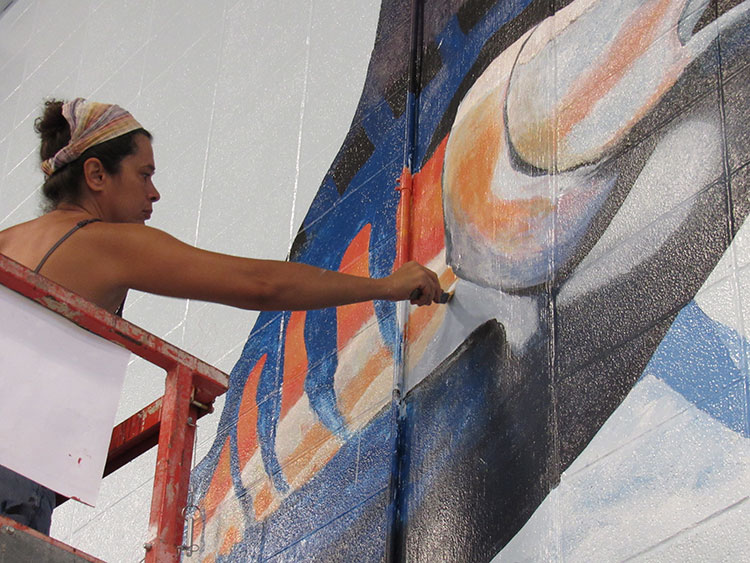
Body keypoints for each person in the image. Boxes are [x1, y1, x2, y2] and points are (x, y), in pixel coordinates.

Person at [0, 98, 444, 534]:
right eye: (144, 174)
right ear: (97, 174)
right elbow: (259, 285)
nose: (154, 192)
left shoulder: (7, 240)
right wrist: (384, 286)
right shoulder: (103, 241)